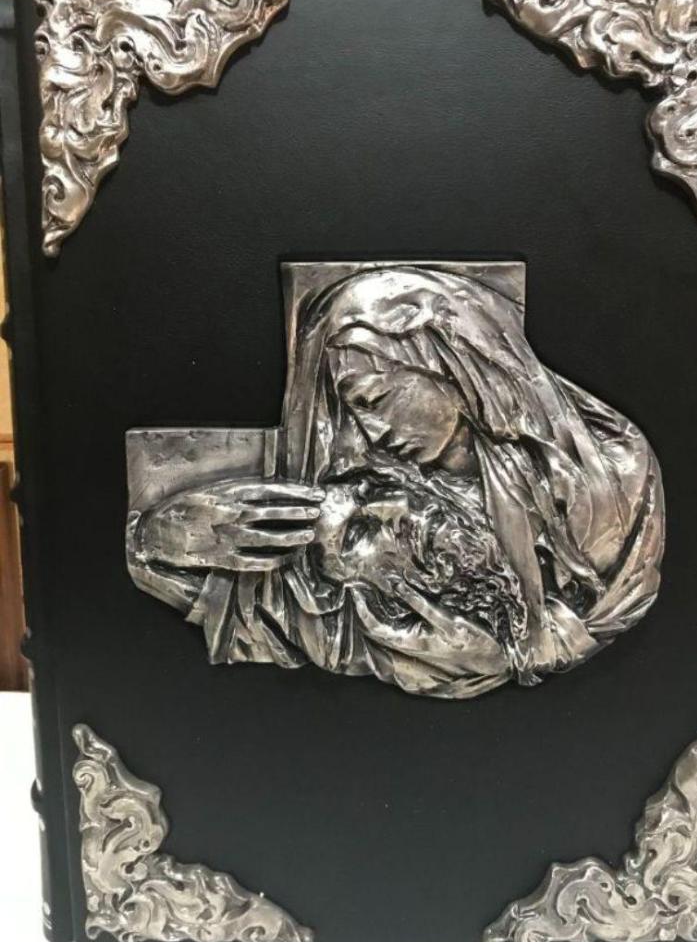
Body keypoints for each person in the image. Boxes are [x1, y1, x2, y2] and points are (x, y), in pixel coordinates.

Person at [127, 266, 664, 699]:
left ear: (451, 364)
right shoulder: (355, 554)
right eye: (355, 408)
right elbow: (268, 612)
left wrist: (508, 653)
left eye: (376, 399)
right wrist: (162, 534)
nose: (371, 431)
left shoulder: (619, 480)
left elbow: (609, 610)